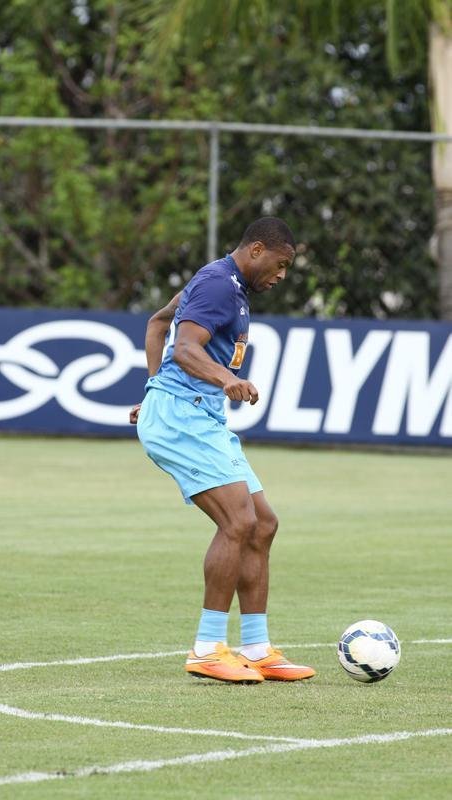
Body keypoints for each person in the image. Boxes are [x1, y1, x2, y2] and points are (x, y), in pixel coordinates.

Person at [130, 217, 316, 684]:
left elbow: (157, 324)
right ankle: (208, 648)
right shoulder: (218, 284)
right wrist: (225, 379)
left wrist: (152, 387)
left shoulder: (223, 282)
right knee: (239, 520)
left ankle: (255, 647)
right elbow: (184, 350)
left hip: (199, 417)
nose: (282, 274)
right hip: (182, 417)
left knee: (263, 523)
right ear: (257, 249)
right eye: (281, 263)